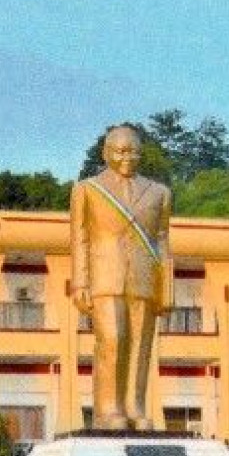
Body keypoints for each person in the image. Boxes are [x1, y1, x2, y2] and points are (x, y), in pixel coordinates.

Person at [70, 125, 173, 430]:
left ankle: (134, 406)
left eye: (133, 151)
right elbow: (80, 238)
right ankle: (108, 409)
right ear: (106, 153)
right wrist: (80, 282)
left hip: (143, 278)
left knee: (141, 344)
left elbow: (162, 239)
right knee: (113, 340)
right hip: (105, 276)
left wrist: (166, 285)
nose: (127, 156)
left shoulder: (159, 192)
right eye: (119, 150)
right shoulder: (87, 189)